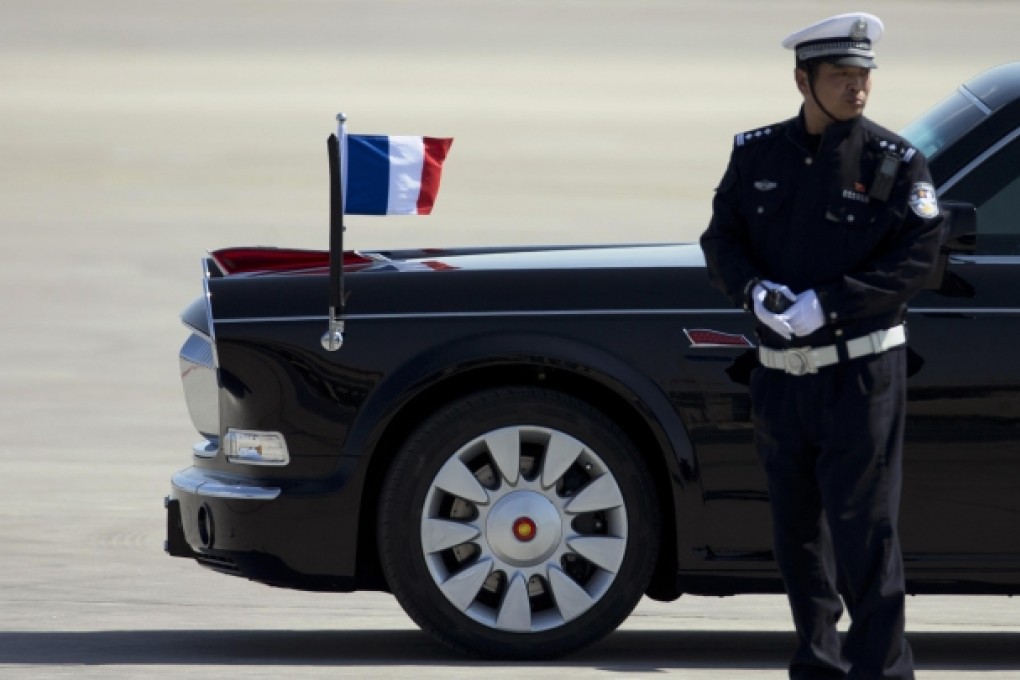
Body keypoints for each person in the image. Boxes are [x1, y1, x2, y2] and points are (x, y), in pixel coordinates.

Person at [699, 12, 947, 680]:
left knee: (866, 532)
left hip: (861, 375)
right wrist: (754, 293)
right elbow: (720, 240)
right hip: (782, 377)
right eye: (840, 77)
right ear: (802, 80)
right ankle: (817, 662)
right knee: (797, 534)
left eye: (863, 76)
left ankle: (881, 670)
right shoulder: (756, 155)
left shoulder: (893, 163)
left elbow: (919, 259)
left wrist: (829, 304)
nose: (856, 89)